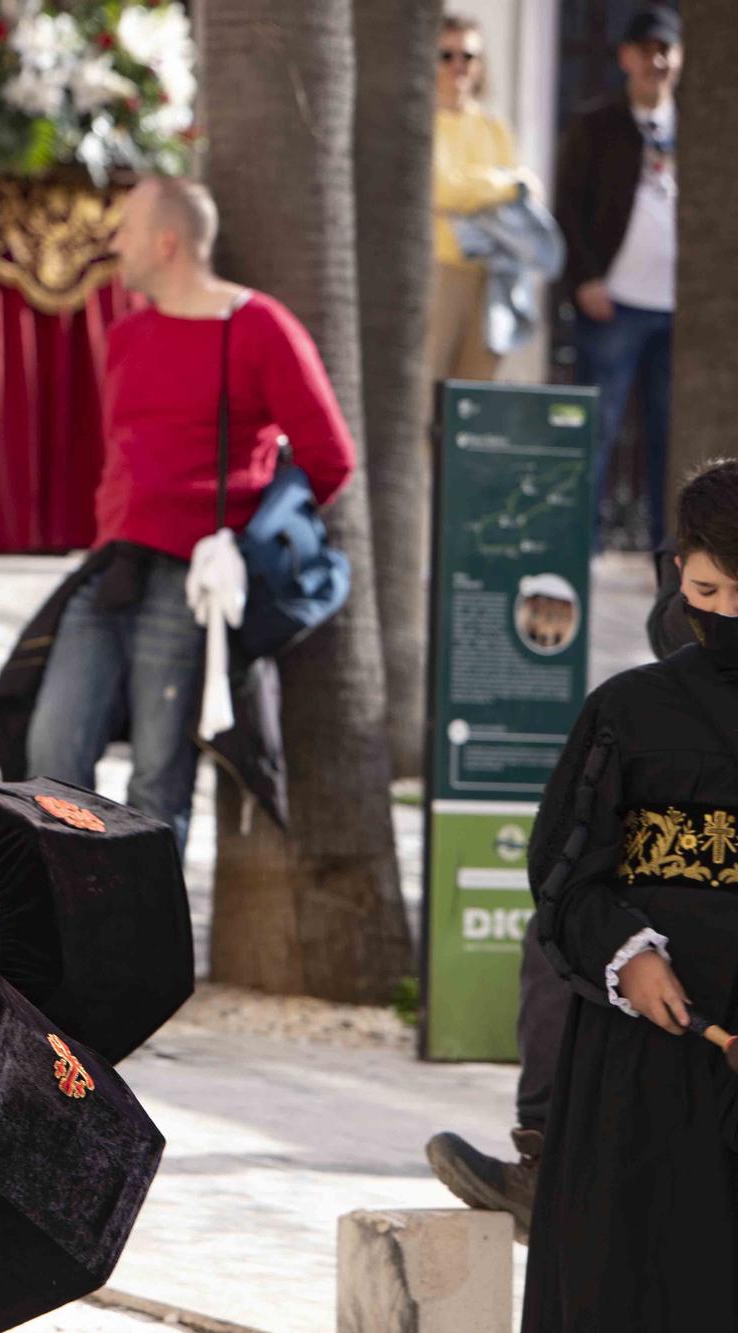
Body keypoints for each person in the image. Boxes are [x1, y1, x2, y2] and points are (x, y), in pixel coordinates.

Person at [24, 178, 355, 841]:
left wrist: (250, 540)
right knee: (51, 756)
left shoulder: (258, 326)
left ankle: (145, 941)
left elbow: (330, 457)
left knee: (156, 783)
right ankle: (69, 925)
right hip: (112, 567)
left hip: (192, 578)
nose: (114, 243)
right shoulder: (129, 333)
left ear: (166, 242)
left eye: (126, 229)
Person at [520, 458, 738, 1330]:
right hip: (641, 1061)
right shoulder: (630, 711)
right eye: (709, 588)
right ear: (677, 574)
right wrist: (630, 953)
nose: (726, 614)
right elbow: (566, 876)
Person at [555, 5, 681, 548]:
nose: (657, 61)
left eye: (666, 50)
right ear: (625, 56)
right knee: (596, 432)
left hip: (680, 310)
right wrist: (583, 280)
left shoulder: (702, 128)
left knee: (670, 438)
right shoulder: (597, 124)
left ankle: (671, 553)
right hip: (614, 304)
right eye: (646, 49)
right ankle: (583, 549)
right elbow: (568, 208)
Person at [428, 13, 536, 385]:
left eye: (469, 56)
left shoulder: (494, 128)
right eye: (447, 55)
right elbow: (441, 189)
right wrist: (501, 185)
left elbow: (525, 194)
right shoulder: (422, 123)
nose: (459, 66)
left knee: (475, 395)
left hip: (494, 276)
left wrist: (472, 189)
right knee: (427, 388)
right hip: (439, 271)